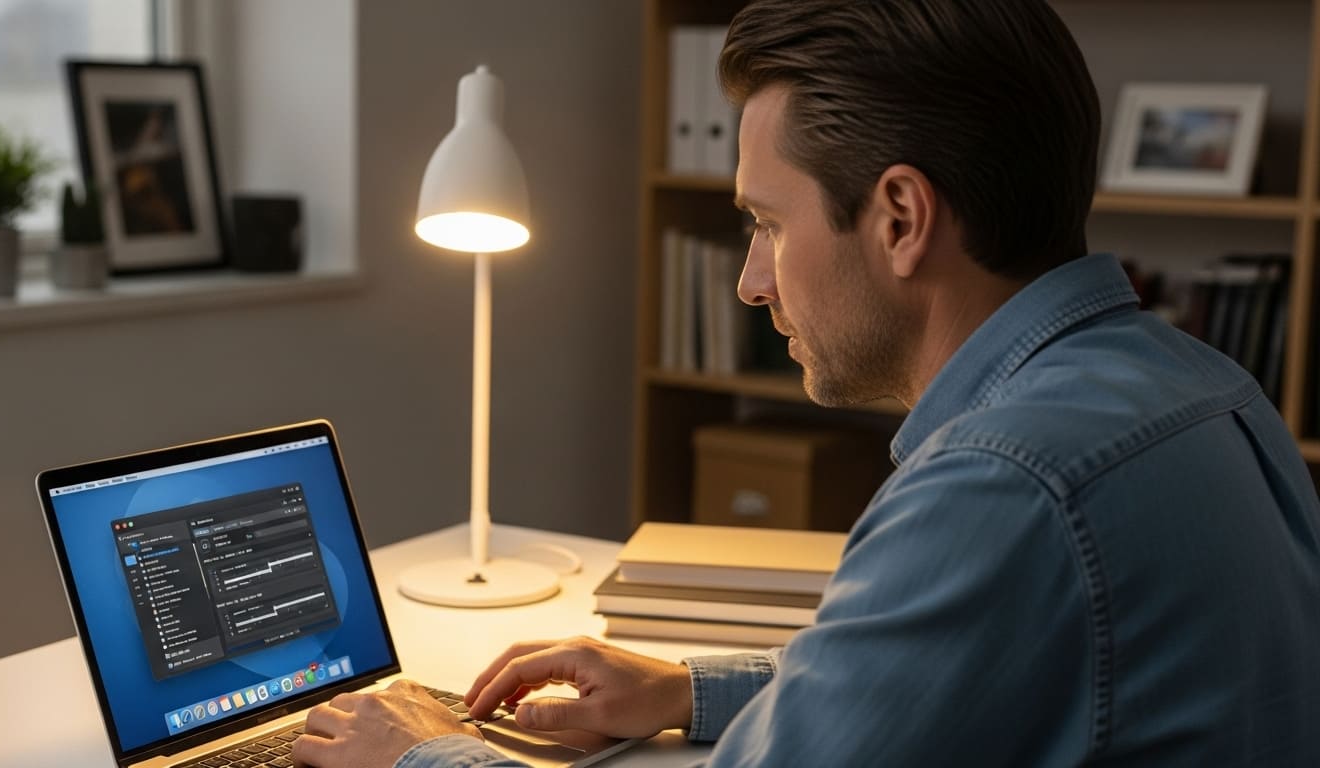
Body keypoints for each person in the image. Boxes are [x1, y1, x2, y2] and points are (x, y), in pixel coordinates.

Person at [293, 0, 1320, 765]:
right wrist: (685, 691)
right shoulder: (1204, 383)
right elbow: (950, 684)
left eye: (766, 224)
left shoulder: (1005, 484)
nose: (748, 282)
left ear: (900, 220)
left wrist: (418, 753)